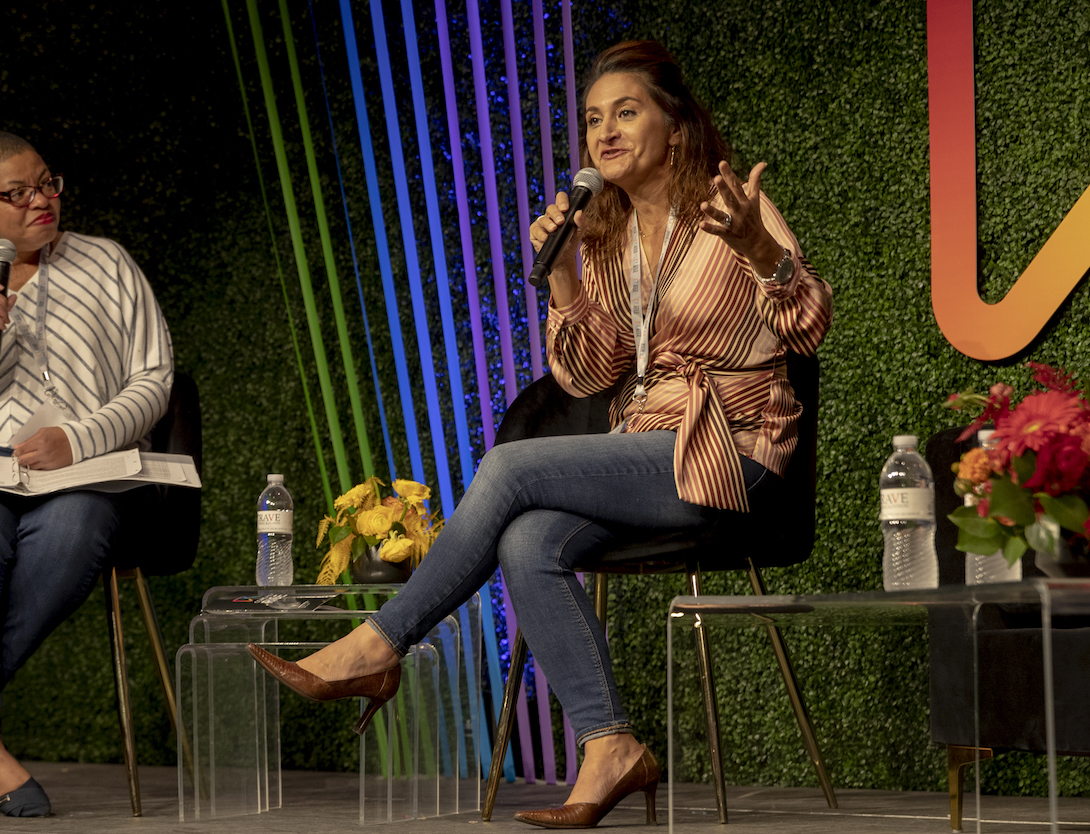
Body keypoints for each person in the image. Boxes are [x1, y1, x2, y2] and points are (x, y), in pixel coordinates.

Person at [246, 40, 832, 828]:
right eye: (594, 120)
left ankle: (378, 647)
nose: (605, 133)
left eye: (627, 112)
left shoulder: (738, 211)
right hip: (648, 449)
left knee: (512, 470)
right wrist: (564, 274)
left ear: (679, 128)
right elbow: (588, 378)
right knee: (527, 540)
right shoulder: (616, 237)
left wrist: (761, 252)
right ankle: (611, 745)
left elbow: (809, 327)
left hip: (734, 452)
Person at [0, 131, 173, 816]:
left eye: (47, 183)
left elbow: (153, 378)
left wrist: (77, 438)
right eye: (17, 194)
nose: (41, 201)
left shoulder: (106, 263)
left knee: (79, 525)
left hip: (81, 474)